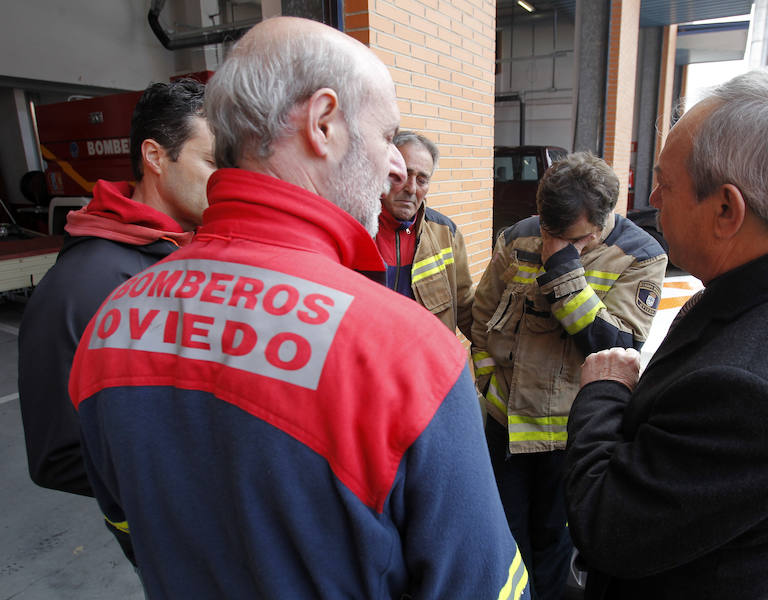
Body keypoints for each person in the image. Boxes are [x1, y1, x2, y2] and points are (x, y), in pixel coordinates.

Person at [68, 17, 529, 599]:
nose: (395, 167)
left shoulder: (110, 324)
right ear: (324, 122)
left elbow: (131, 525)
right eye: (387, 136)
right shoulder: (406, 355)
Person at [564, 66, 768, 599]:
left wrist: (603, 391)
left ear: (727, 209)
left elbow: (606, 525)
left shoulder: (754, 393)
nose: (654, 198)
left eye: (666, 181)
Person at [18, 79, 212, 559]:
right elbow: (57, 456)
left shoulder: (193, 251)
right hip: (168, 533)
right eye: (212, 162)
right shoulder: (82, 285)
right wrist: (200, 478)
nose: (227, 179)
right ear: (154, 156)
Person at [471, 151, 667, 599]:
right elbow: (481, 316)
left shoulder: (640, 255)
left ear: (601, 224)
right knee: (506, 539)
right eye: (547, 230)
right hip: (507, 427)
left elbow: (615, 350)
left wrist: (564, 273)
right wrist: (485, 379)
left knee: (553, 545)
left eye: (570, 238)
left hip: (569, 436)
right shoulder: (520, 235)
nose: (551, 242)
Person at [376, 131, 474, 337]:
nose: (411, 188)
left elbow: (465, 306)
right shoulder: (354, 228)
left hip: (425, 364)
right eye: (401, 175)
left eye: (422, 180)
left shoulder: (446, 233)